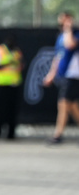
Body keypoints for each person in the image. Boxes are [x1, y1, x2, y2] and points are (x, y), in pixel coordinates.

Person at [42, 11, 78, 145]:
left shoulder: (74, 34)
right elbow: (58, 57)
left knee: (63, 104)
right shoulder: (60, 37)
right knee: (72, 106)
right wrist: (51, 75)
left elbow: (70, 45)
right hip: (63, 75)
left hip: (73, 76)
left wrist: (69, 29)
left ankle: (58, 135)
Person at [0, 33, 23, 139]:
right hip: (1, 84)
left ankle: (11, 133)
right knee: (0, 110)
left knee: (12, 110)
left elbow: (21, 65)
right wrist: (7, 64)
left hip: (14, 84)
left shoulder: (17, 52)